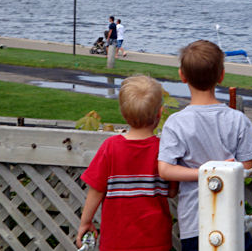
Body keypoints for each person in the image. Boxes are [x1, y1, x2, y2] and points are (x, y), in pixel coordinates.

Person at [158, 40, 252, 251]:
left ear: (182, 75)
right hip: (232, 220)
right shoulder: (237, 119)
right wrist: (214, 172)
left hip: (195, 223)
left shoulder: (176, 122)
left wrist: (202, 172)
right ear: (221, 75)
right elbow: (248, 167)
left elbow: (165, 169)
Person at [76, 75, 177, 250]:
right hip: (155, 241)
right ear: (159, 113)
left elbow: (96, 190)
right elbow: (172, 191)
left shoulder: (111, 147)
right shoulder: (164, 149)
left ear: (123, 113)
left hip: (116, 241)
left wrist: (85, 222)